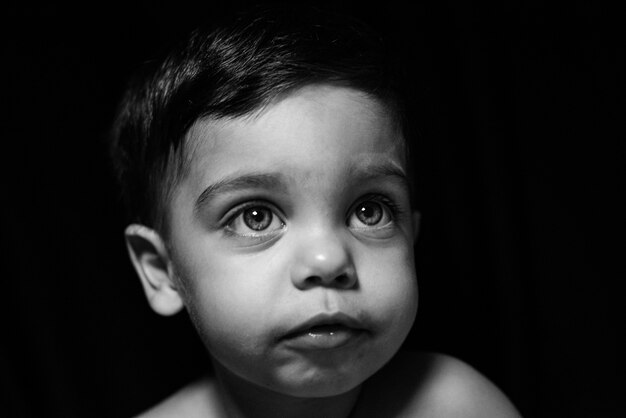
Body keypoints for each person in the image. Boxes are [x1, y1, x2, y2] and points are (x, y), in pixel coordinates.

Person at [109, 5, 521, 417]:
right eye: (256, 217)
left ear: (410, 238)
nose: (328, 260)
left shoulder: (458, 406)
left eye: (369, 211)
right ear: (161, 269)